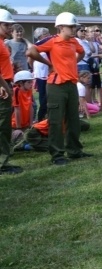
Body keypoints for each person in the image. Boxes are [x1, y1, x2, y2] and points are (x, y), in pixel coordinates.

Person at [26, 12, 92, 165]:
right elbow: (30, 51)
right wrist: (49, 64)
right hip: (56, 86)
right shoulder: (52, 41)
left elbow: (82, 52)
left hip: (71, 84)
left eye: (74, 26)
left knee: (73, 119)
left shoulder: (73, 41)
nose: (74, 29)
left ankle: (75, 151)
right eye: (71, 26)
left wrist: (72, 63)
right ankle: (57, 155)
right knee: (56, 121)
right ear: (61, 27)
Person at [1, 10, 22, 174]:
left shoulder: (2, 41)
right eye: (6, 24)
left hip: (5, 83)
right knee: (2, 126)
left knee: (4, 125)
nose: (10, 27)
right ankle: (1, 163)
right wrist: (3, 85)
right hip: (2, 86)